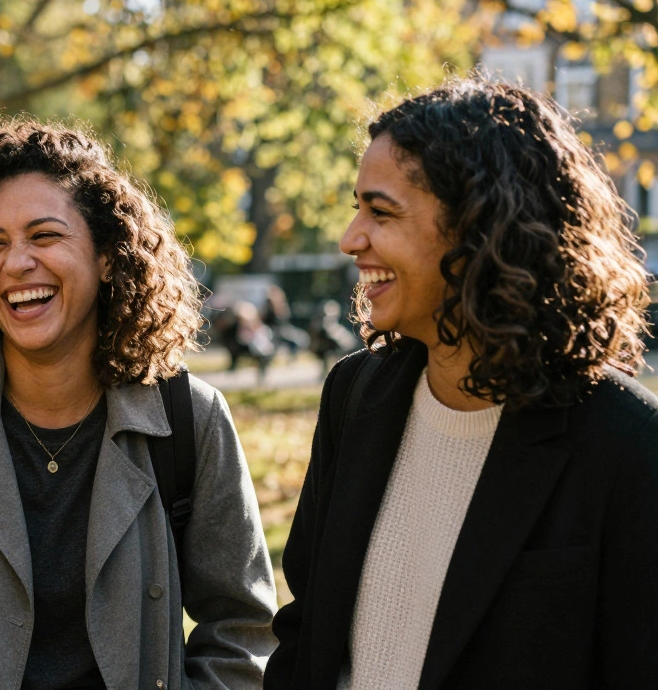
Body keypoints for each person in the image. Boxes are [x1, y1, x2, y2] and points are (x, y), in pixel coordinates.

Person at [0, 119, 278, 688]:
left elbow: (241, 630)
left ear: (108, 258)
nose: (16, 264)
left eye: (44, 236)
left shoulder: (191, 420)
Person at [264, 77, 658, 689]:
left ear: (480, 229)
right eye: (356, 207)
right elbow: (307, 628)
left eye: (381, 211)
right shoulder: (354, 395)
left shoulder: (626, 440)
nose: (351, 239)